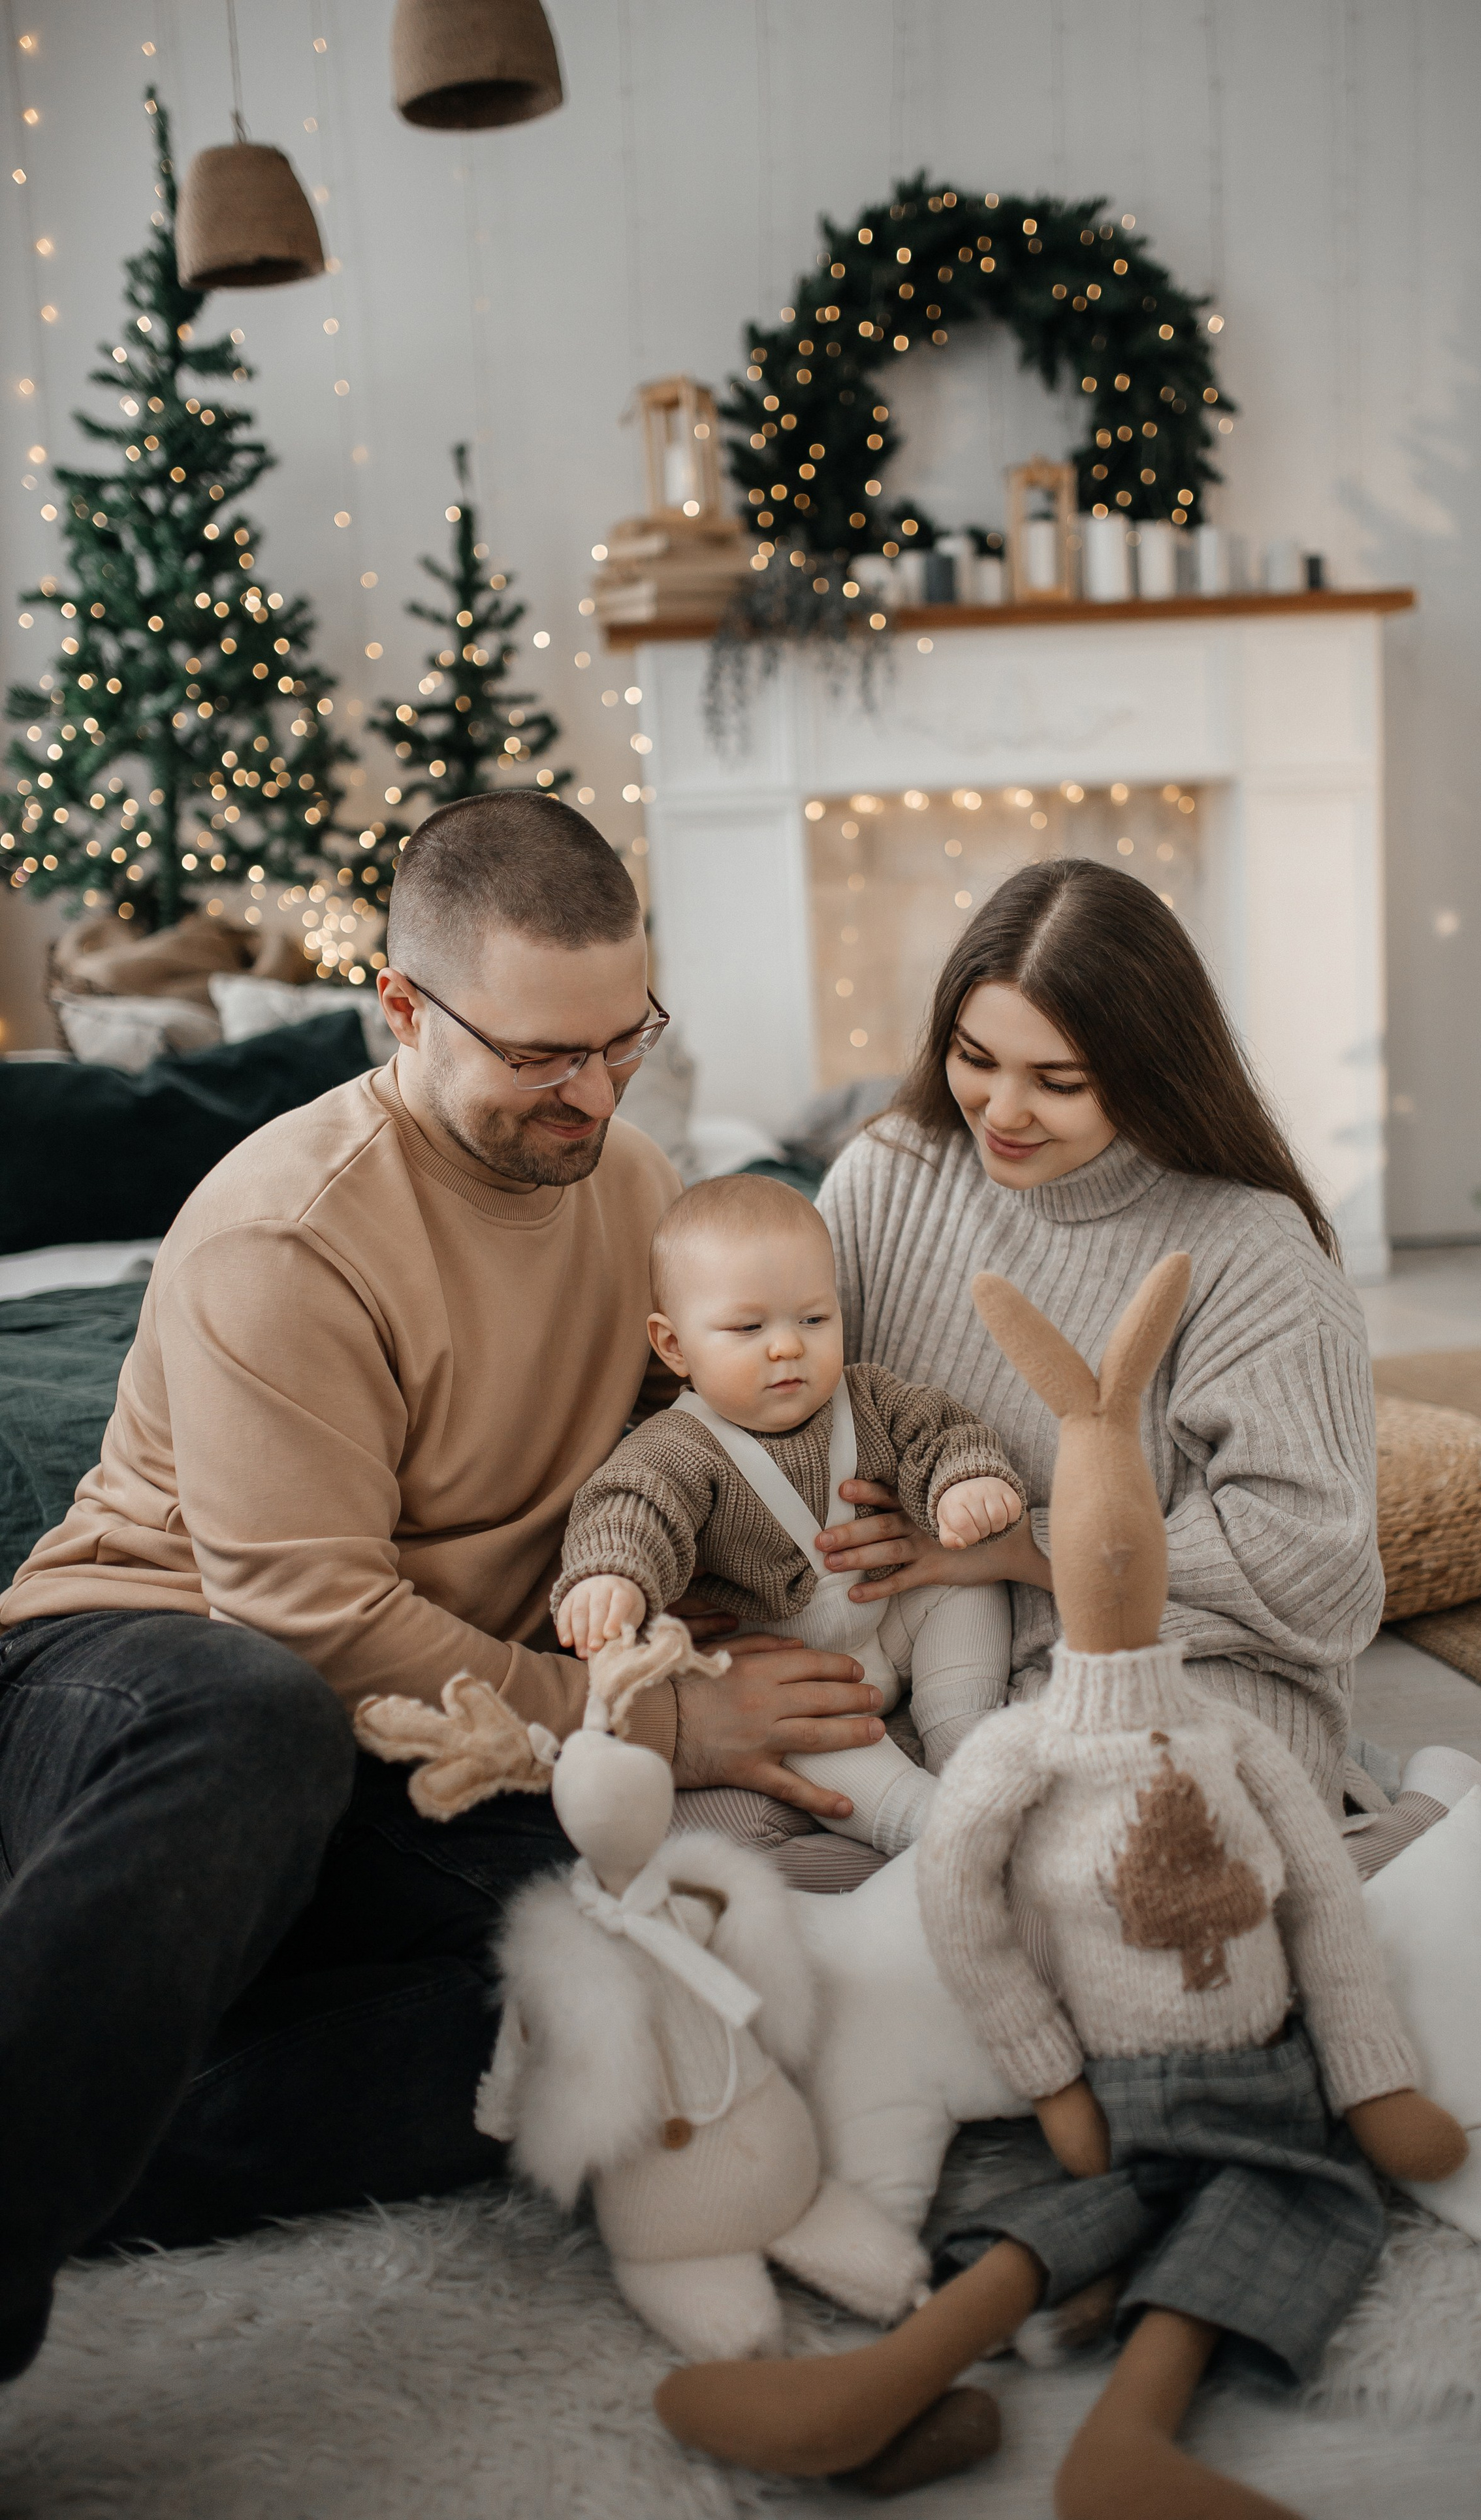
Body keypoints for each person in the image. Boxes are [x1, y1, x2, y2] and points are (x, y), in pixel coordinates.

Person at [0, 792, 885, 2383]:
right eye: (542, 1055)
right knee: (258, 1713)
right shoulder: (289, 1233)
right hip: (142, 1693)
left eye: (623, 1040)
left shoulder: (628, 1188)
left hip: (424, 1742)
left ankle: (117, 2104)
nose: (592, 1092)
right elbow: (313, 1627)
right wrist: (660, 1729)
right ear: (402, 1009)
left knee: (658, 1966)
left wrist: (742, 1615)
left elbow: (658, 1481)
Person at [808, 858, 1481, 1930]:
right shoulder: (887, 1175)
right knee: (840, 1892)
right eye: (977, 1059)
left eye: (1057, 1080)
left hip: (1198, 1662)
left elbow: (1315, 1567)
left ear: (1148, 1069)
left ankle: (1443, 1820)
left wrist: (1019, 1545)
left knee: (1123, 1908)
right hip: (940, 1657)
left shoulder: (1249, 1248)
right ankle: (1357, 1800)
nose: (1001, 1109)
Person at [555, 1171, 1023, 1856]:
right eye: (748, 1327)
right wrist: (613, 1576)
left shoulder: (867, 1398)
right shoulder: (679, 1447)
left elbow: (939, 1430)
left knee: (964, 1579)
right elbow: (631, 1507)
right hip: (789, 1676)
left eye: (813, 1319)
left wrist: (965, 1482)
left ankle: (967, 1735)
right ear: (674, 1346)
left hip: (889, 1619)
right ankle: (940, 1833)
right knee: (825, 1761)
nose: (786, 1347)